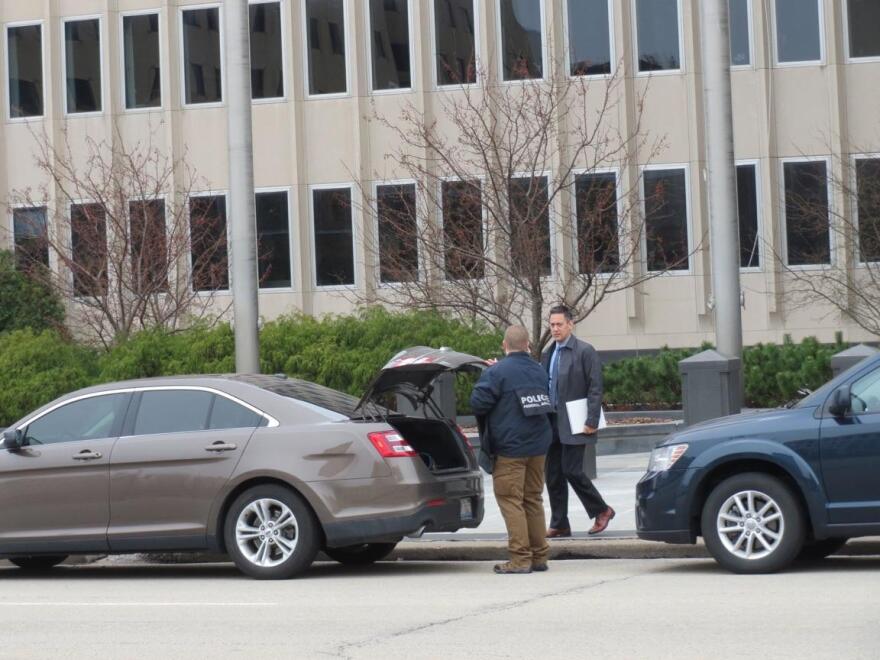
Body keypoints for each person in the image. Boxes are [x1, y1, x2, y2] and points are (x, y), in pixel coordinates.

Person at [471, 325, 553, 574]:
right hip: (538, 447)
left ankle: (520, 559)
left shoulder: (497, 372)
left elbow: (478, 403)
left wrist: (490, 372)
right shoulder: (539, 370)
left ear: (504, 345)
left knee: (510, 500)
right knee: (533, 499)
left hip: (510, 449)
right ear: (528, 345)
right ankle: (539, 557)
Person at [541, 305, 615, 537]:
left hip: (576, 421)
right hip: (551, 421)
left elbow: (595, 388)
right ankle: (560, 523)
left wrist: (591, 419)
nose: (555, 329)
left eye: (559, 324)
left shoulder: (585, 351)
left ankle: (602, 510)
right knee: (552, 474)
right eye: (552, 325)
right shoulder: (548, 353)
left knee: (572, 470)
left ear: (570, 325)